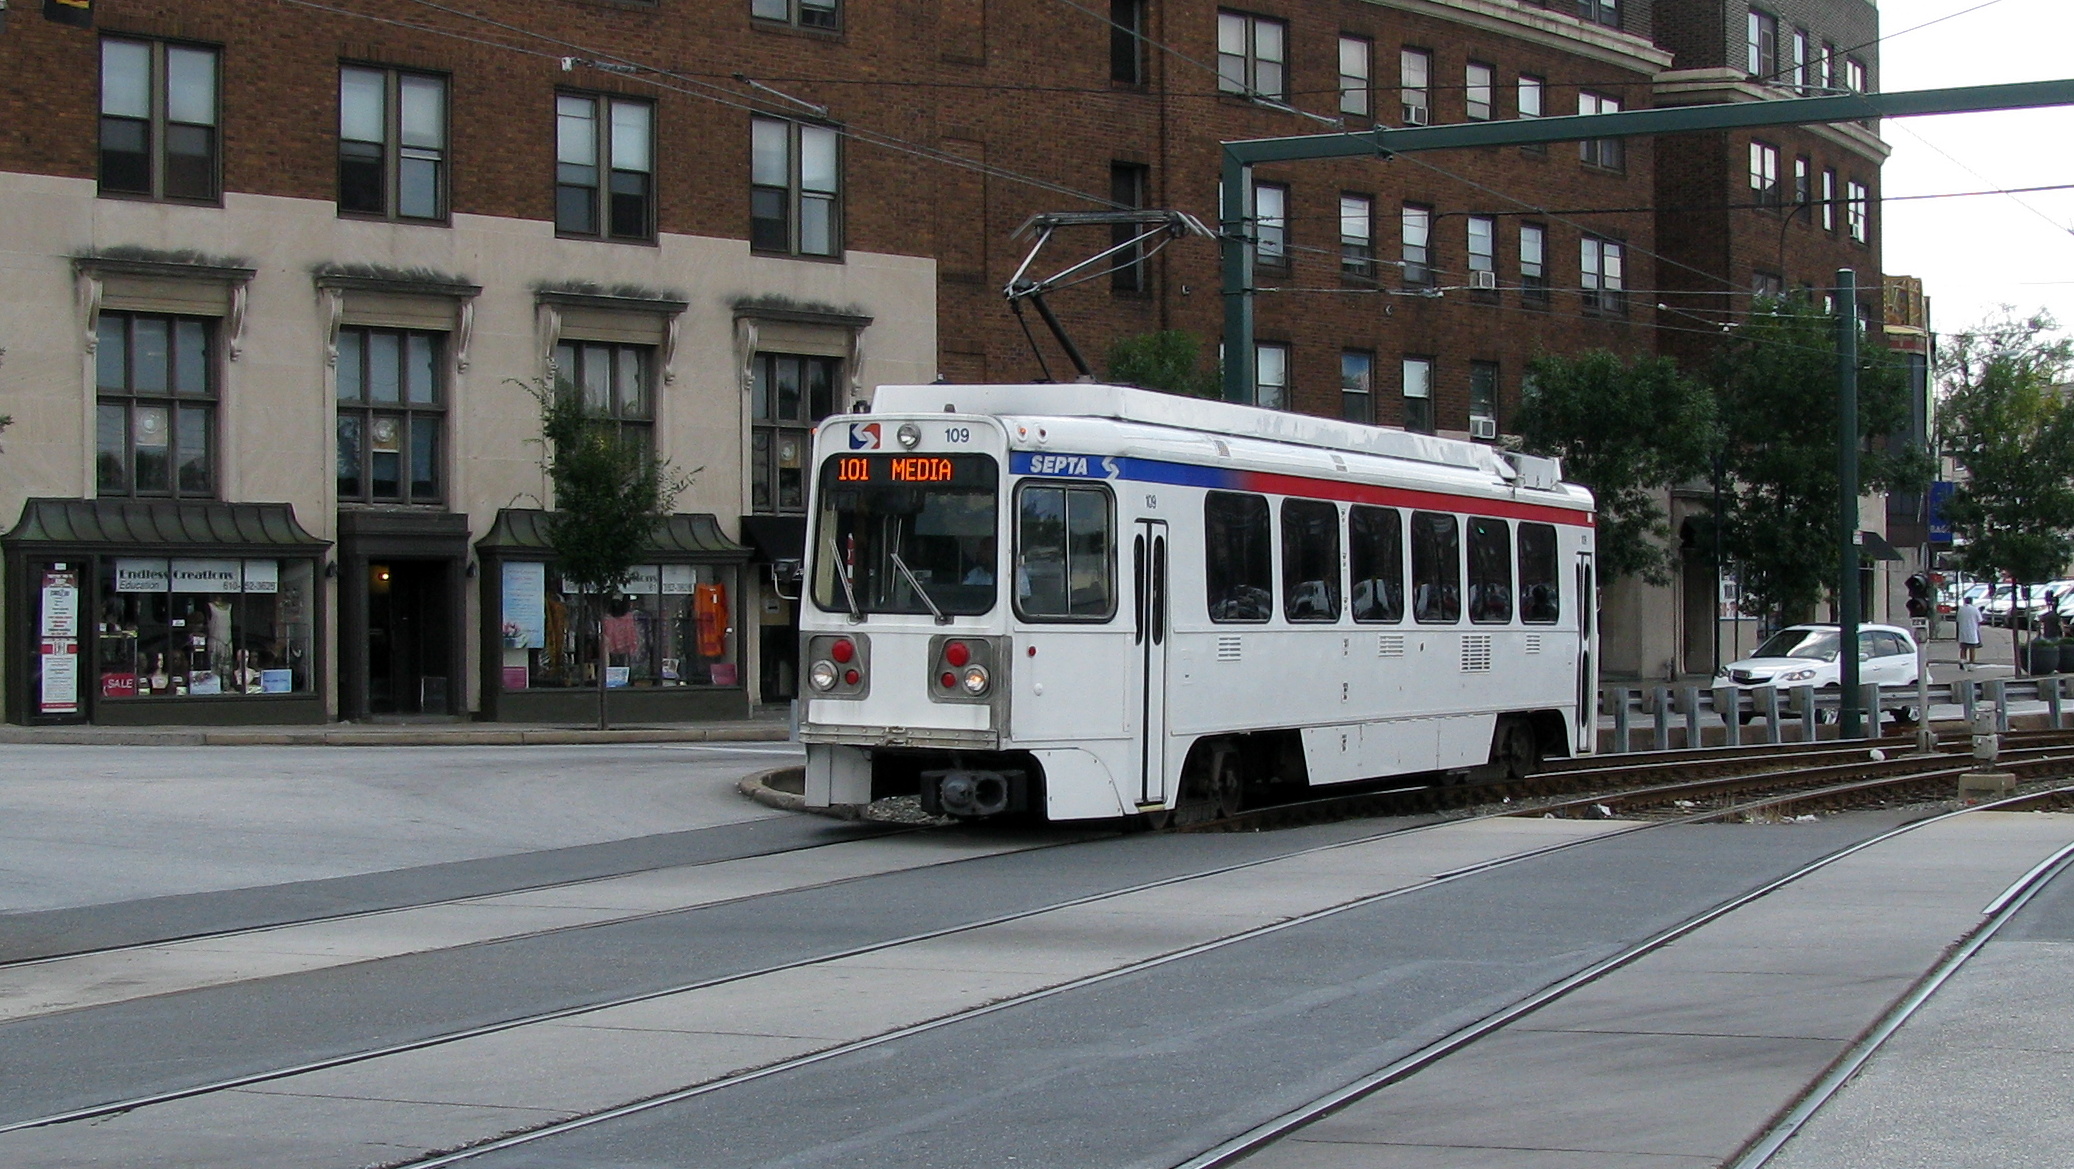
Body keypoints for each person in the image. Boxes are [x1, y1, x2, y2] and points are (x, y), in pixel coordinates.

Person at [1957, 594, 1983, 669]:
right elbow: (1980, 620)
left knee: (1963, 648)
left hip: (1962, 631)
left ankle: (1962, 660)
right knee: (1972, 648)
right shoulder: (1974, 609)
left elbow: (1958, 619)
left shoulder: (1961, 609)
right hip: (1972, 630)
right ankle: (1971, 663)